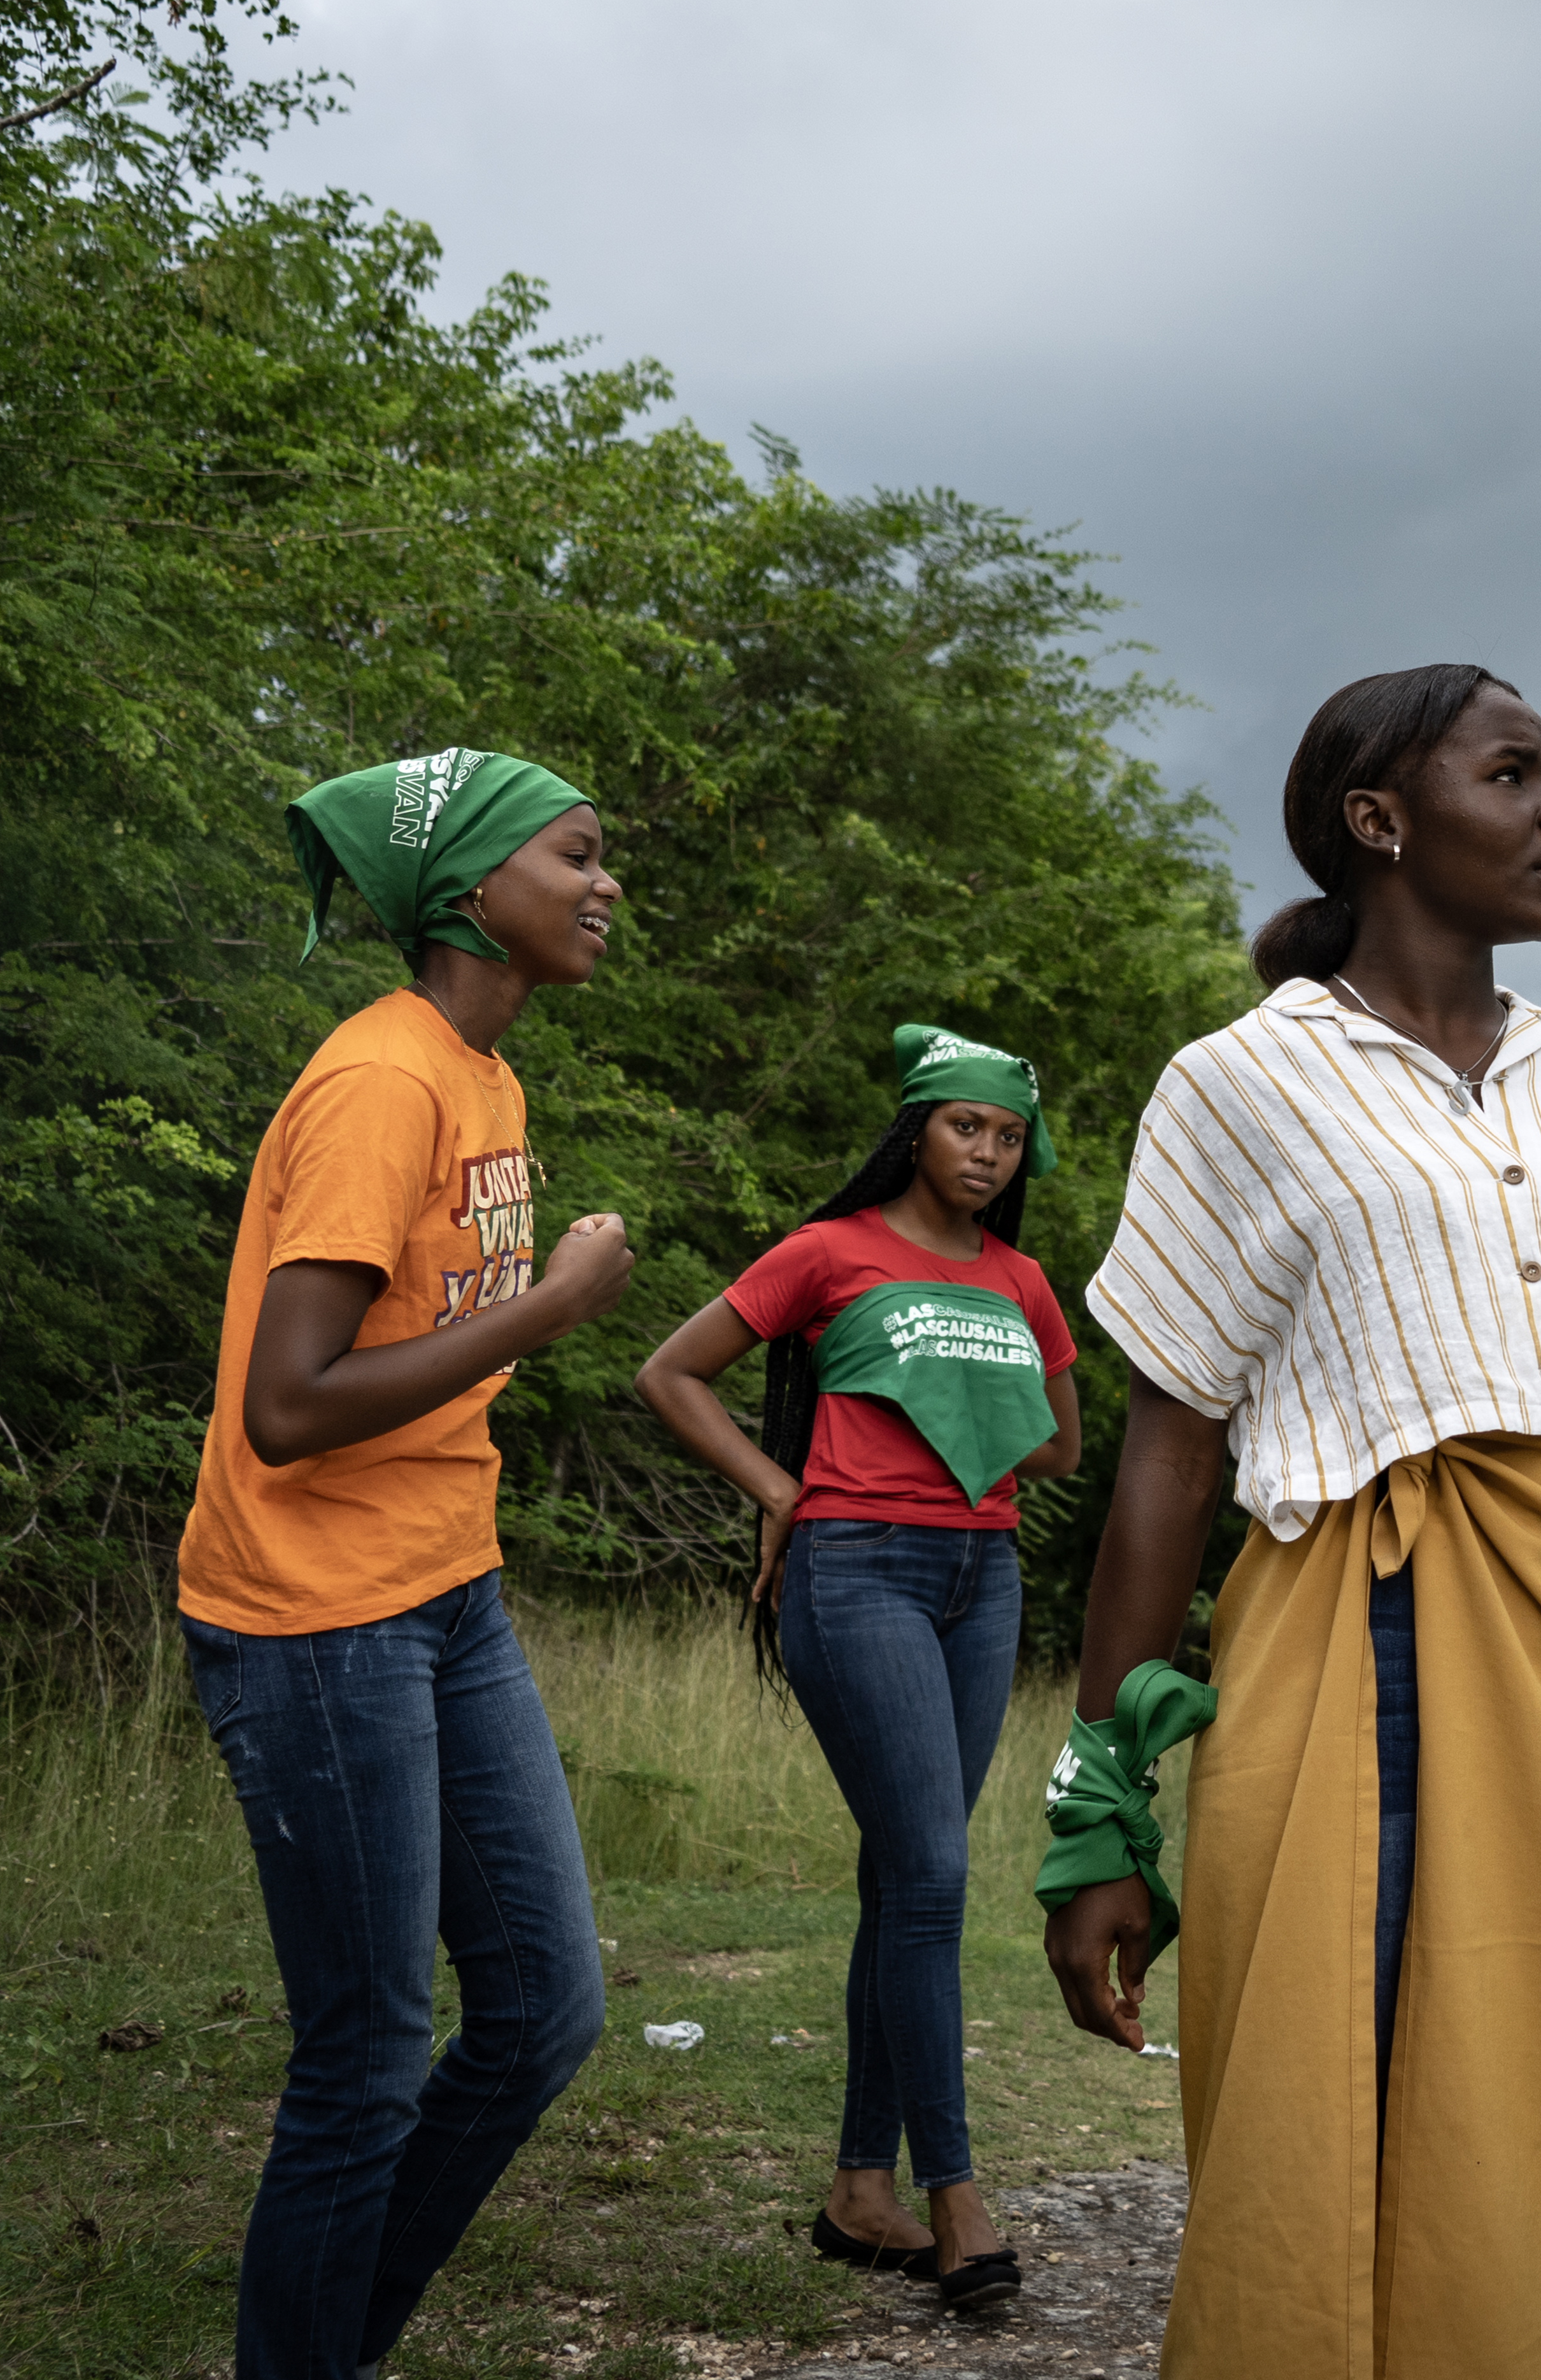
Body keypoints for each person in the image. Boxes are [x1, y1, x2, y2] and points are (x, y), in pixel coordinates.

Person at [1039, 662, 1541, 2377]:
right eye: (1515, 776)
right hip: (1362, 1636)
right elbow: (1167, 1447)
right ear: (1381, 821)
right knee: (1338, 2082)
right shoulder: (1240, 1086)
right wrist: (1098, 1807)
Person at [178, 748, 636, 2380]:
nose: (604, 887)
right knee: (365, 2059)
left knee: (540, 2012)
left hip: (447, 1592)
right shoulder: (386, 1082)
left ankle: (324, 2342)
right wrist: (555, 1306)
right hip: (315, 1622)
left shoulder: (484, 1073)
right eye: (575, 856)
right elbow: (288, 1405)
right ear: (473, 888)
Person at [632, 1023, 1080, 2307]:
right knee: (934, 1871)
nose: (987, 1153)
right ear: (915, 1127)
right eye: (965, 1127)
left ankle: (855, 2189)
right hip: (858, 1569)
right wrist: (786, 1484)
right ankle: (956, 2196)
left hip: (981, 1577)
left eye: (1006, 1136)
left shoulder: (1023, 1279)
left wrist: (965, 1415)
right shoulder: (829, 1253)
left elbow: (1056, 1446)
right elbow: (670, 1372)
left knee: (904, 1879)